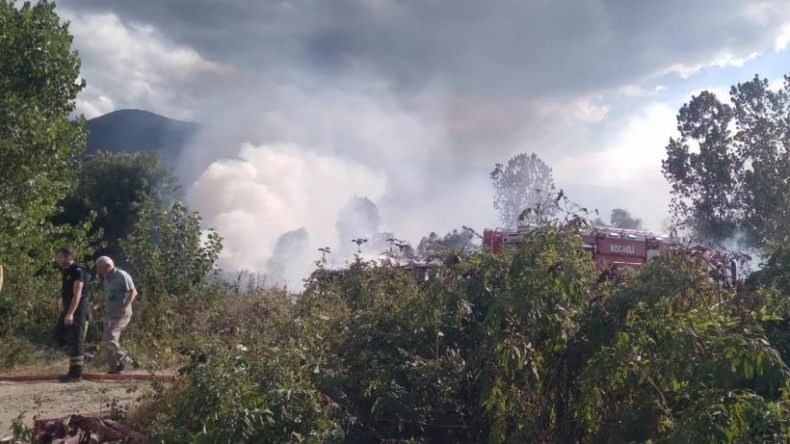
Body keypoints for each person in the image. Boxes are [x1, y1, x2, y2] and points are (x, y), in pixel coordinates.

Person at [93, 256, 137, 374]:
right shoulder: (106, 278)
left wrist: (124, 307)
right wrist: (96, 306)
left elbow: (134, 292)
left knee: (109, 337)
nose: (98, 270)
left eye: (100, 268)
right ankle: (115, 367)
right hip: (110, 313)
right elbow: (107, 295)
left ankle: (125, 359)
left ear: (107, 266)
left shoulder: (122, 275)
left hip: (121, 314)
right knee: (108, 340)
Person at [54, 248, 90, 383]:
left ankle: (75, 374)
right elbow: (67, 292)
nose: (59, 260)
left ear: (69, 256)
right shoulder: (67, 271)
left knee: (76, 340)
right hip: (69, 307)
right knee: (58, 335)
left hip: (78, 309)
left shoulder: (78, 271)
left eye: (61, 257)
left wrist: (70, 313)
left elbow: (78, 294)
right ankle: (83, 356)